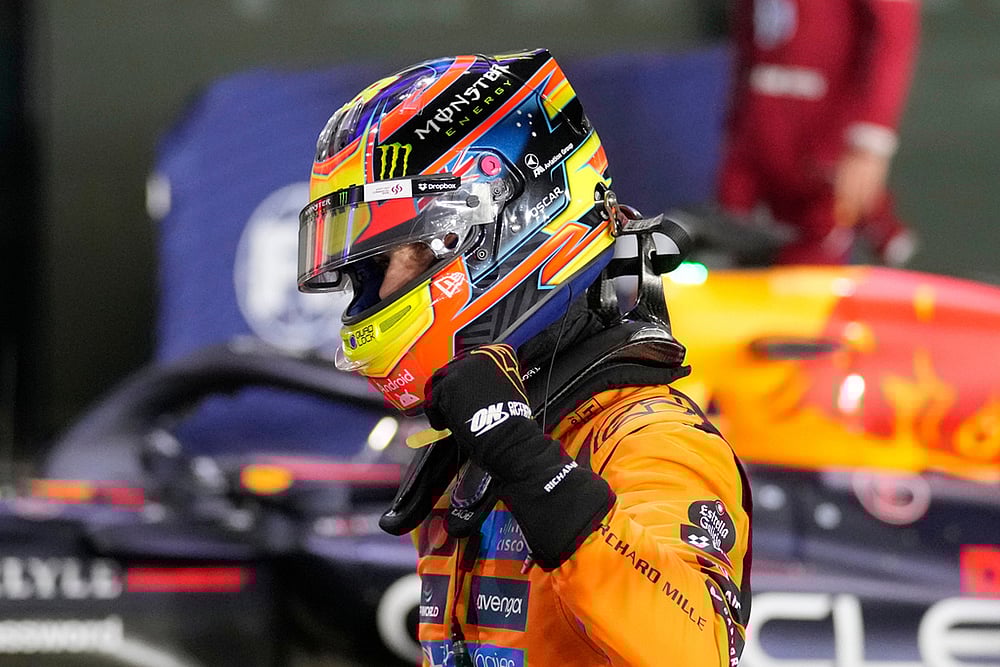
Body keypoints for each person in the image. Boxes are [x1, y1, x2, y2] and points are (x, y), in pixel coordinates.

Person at [297, 49, 751, 666]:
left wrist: (524, 458)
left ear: (509, 227)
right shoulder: (470, 452)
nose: (375, 295)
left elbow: (693, 652)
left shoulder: (651, 439)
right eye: (365, 269)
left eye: (396, 255)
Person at [718, 0, 921, 265]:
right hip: (757, 142)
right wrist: (736, 131)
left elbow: (894, 33)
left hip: (820, 155)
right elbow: (748, 37)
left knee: (808, 281)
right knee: (730, 266)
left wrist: (870, 141)